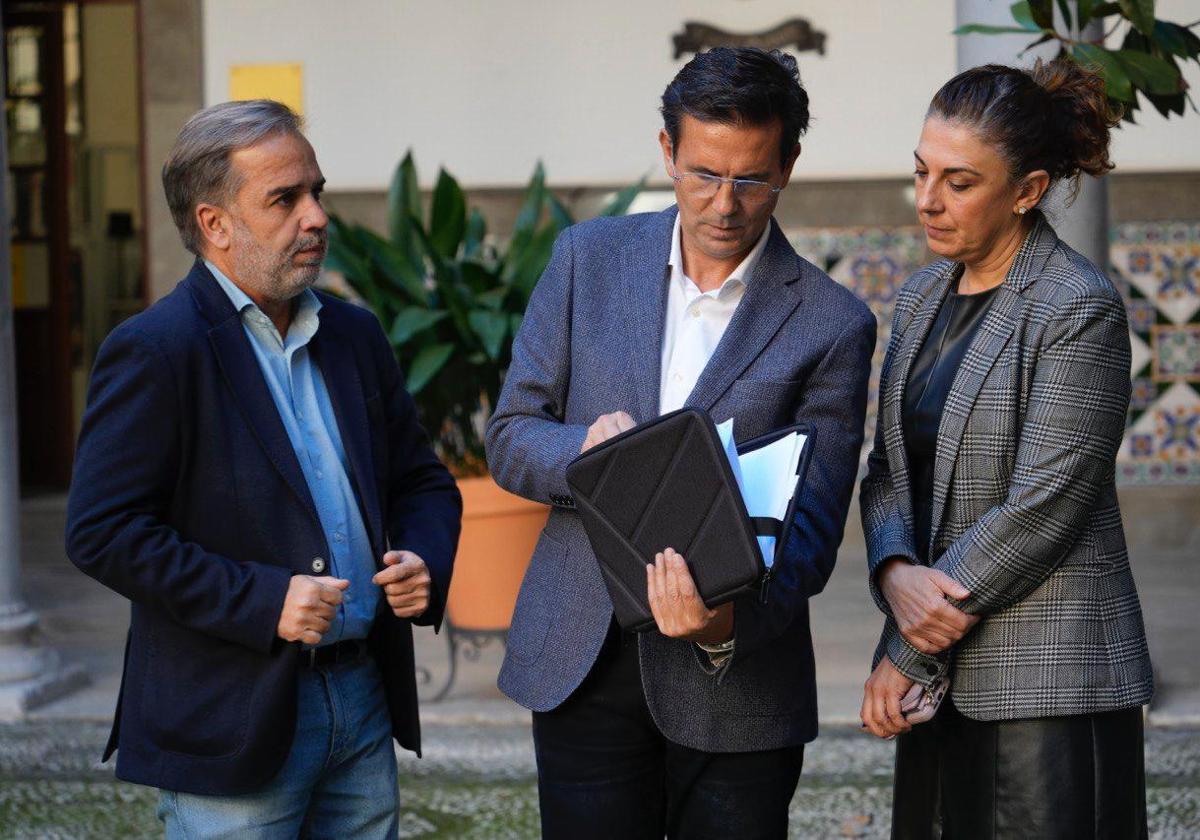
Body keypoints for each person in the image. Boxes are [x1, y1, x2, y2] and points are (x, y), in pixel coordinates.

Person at [486, 47, 876, 838]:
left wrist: (721, 625)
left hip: (737, 681)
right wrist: (585, 452)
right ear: (667, 150)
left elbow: (814, 526)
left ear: (789, 164)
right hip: (582, 655)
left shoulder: (833, 323)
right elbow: (509, 436)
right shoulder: (585, 262)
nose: (724, 204)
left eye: (750, 179)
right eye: (702, 173)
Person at [65, 100, 462, 838]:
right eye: (284, 199)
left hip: (362, 698)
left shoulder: (353, 333)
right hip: (231, 716)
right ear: (215, 224)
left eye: (316, 191)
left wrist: (421, 554)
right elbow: (102, 532)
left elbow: (420, 479)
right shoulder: (156, 350)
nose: (315, 216)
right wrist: (263, 599)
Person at [859, 60, 1154, 838]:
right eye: (921, 173)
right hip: (942, 680)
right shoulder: (922, 297)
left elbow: (1042, 509)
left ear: (1026, 190)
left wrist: (910, 649)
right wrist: (893, 576)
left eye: (960, 182)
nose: (928, 199)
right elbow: (888, 468)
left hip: (1049, 685)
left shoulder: (1076, 305)